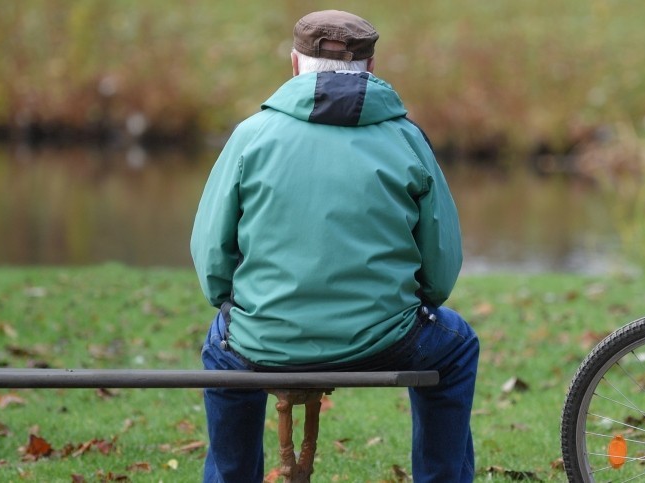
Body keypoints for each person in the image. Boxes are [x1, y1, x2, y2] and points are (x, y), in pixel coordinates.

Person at [190, 10, 478, 482]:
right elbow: (441, 266)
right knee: (456, 343)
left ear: (293, 63)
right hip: (386, 340)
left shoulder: (250, 137)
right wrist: (415, 304)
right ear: (372, 65)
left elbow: (211, 256)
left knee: (221, 347)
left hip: (264, 339)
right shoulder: (407, 139)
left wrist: (232, 303)